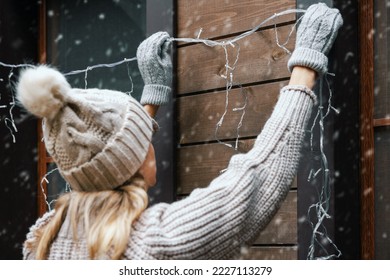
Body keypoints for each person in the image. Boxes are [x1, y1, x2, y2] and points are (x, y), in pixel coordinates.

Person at [18, 3, 342, 260]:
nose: (149, 143)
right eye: (142, 139)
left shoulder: (44, 240)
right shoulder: (157, 244)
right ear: (131, 160)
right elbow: (257, 179)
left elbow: (102, 164)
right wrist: (306, 65)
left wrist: (152, 99)